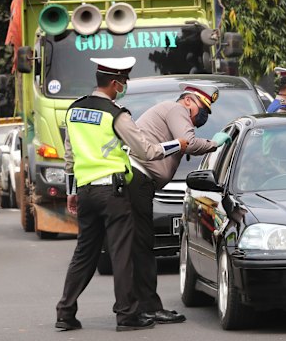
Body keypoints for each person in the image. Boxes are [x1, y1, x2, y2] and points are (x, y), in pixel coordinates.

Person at [55, 56, 188, 332]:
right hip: (112, 193)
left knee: (84, 253)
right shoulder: (116, 114)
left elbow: (69, 156)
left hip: (85, 190)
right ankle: (127, 315)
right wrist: (178, 144)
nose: (125, 85)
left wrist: (71, 192)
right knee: (122, 253)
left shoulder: (74, 110)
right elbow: (147, 151)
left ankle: (65, 313)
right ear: (115, 83)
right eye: (124, 81)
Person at [128, 82, 232, 324]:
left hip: (141, 182)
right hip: (138, 180)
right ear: (188, 101)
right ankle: (144, 307)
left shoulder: (173, 112)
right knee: (142, 247)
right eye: (201, 109)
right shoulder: (177, 110)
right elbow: (189, 142)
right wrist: (214, 144)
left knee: (139, 247)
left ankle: (138, 306)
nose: (202, 116)